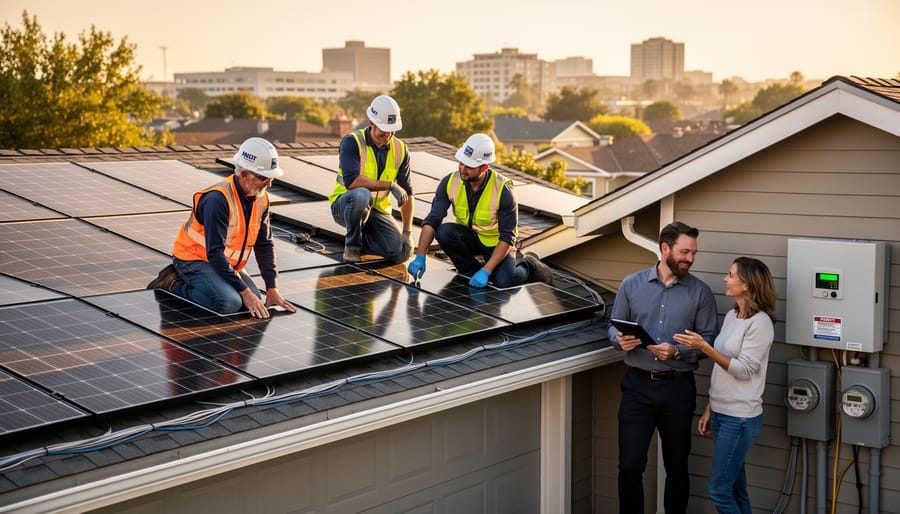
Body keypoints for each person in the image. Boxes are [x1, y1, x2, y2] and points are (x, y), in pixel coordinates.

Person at [608, 221, 718, 514]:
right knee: (630, 466)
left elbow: (710, 341)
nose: (690, 259)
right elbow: (613, 328)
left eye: (693, 253)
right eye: (684, 252)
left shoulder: (701, 293)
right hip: (637, 387)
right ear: (665, 248)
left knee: (677, 466)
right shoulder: (631, 285)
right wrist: (621, 342)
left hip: (678, 389)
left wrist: (678, 351)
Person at [147, 136, 297, 319]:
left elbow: (264, 244)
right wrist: (244, 292)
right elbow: (215, 253)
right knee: (229, 303)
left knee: (254, 300)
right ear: (244, 174)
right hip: (193, 259)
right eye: (264, 178)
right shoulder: (217, 200)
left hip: (225, 264)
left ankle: (227, 287)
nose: (270, 183)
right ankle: (172, 284)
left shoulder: (261, 199)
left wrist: (272, 288)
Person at [673, 257, 776, 514]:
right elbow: (724, 370)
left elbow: (743, 370)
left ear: (747, 285)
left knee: (718, 490)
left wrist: (704, 347)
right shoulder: (732, 315)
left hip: (739, 419)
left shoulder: (760, 323)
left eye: (731, 275)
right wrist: (711, 408)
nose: (725, 279)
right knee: (735, 490)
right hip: (721, 413)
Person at [406, 133, 553, 288]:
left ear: (484, 167)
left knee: (504, 282)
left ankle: (529, 265)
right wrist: (420, 255)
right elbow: (432, 220)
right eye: (461, 163)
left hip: (496, 244)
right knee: (444, 232)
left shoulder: (503, 191)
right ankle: (470, 272)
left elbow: (508, 238)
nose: (463, 169)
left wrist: (486, 271)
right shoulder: (450, 182)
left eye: (469, 166)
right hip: (470, 238)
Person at [329, 94, 413, 263]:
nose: (388, 134)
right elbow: (352, 182)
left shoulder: (400, 150)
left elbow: (408, 194)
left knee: (401, 253)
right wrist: (390, 185)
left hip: (377, 212)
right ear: (371, 123)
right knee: (361, 194)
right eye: (383, 129)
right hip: (345, 206)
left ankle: (363, 238)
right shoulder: (352, 142)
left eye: (392, 129)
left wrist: (407, 232)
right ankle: (352, 247)